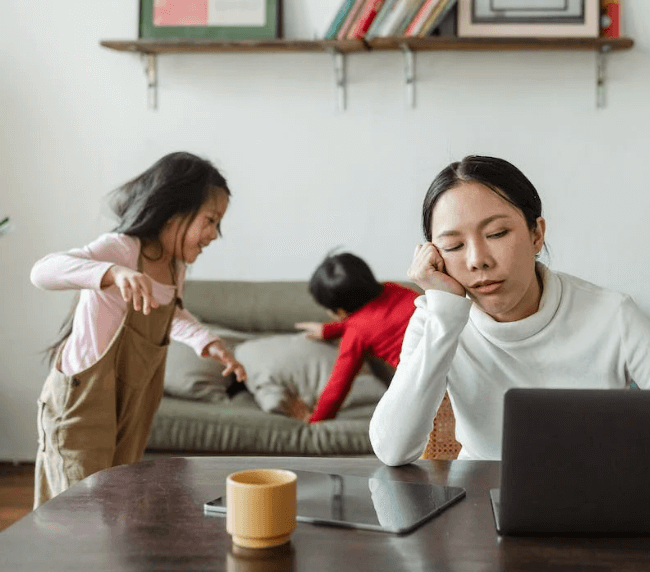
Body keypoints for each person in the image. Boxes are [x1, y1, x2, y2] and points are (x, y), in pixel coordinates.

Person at [369, 155, 650, 467]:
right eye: (453, 246)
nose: (477, 261)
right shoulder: (438, 318)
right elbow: (392, 449)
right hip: (479, 513)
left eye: (497, 234)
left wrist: (629, 453)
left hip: (596, 508)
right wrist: (445, 315)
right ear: (433, 256)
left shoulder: (611, 315)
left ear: (537, 233)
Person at [30, 151, 248, 507]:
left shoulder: (174, 266)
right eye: (210, 220)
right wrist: (112, 273)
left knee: (116, 502)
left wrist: (209, 343)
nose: (214, 234)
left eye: (218, 224)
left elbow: (170, 314)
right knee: (76, 508)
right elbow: (41, 272)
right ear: (174, 213)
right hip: (82, 403)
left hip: (132, 405)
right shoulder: (120, 250)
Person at [293, 252, 419, 423]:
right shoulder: (394, 288)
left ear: (340, 311)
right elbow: (377, 318)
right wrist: (330, 330)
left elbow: (338, 386)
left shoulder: (356, 334)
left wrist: (316, 419)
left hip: (424, 382)